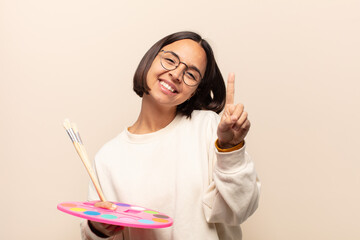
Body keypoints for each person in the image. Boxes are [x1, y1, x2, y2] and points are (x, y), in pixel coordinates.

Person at [80, 31, 260, 240]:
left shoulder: (208, 128)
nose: (176, 74)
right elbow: (101, 232)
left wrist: (230, 149)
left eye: (191, 74)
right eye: (170, 60)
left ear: (194, 91)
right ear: (150, 60)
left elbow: (241, 209)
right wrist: (97, 229)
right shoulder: (108, 157)